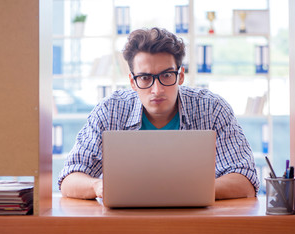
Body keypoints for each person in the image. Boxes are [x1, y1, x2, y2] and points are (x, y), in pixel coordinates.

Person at [58, 27, 259, 200]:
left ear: (180, 76)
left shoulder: (212, 108)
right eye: (145, 78)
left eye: (166, 75)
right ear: (132, 81)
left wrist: (187, 192)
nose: (157, 89)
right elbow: (69, 180)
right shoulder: (109, 111)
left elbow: (245, 180)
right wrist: (98, 186)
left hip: (197, 222)